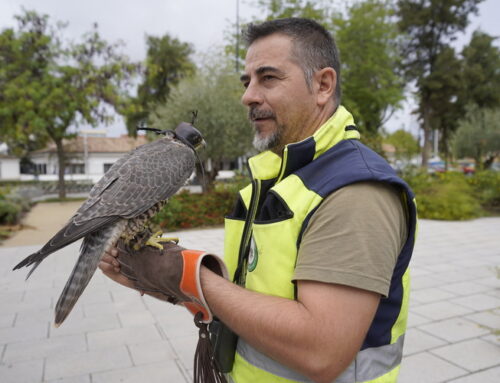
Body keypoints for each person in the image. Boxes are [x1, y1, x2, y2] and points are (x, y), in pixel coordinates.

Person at [99, 18, 416, 383]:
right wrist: (166, 283)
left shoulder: (356, 191)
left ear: (323, 85)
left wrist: (190, 275)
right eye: (247, 81)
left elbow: (321, 351)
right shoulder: (274, 180)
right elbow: (250, 304)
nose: (248, 95)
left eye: (268, 78)